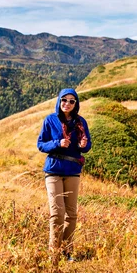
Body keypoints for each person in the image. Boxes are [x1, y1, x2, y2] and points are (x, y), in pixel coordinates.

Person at [37, 88, 92, 261]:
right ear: (59, 101)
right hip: (53, 170)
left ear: (76, 104)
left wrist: (84, 145)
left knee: (71, 214)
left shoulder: (81, 122)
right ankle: (53, 253)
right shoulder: (50, 120)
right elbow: (41, 144)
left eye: (71, 101)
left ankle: (67, 252)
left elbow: (87, 145)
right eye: (64, 100)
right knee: (57, 214)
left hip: (73, 171)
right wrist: (57, 143)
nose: (67, 104)